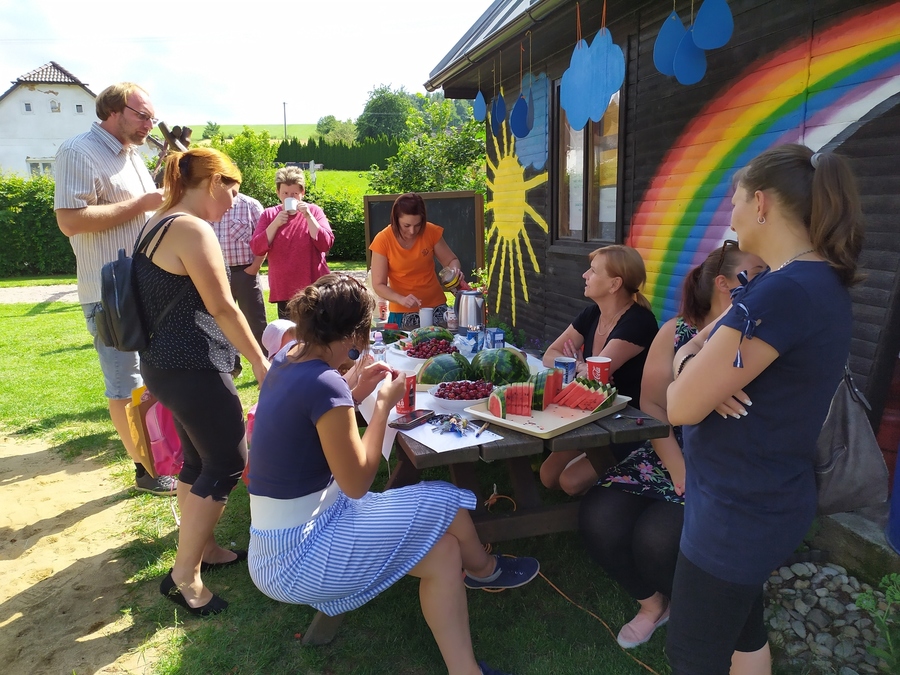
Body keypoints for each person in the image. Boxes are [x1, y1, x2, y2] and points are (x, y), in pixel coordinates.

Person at [247, 273, 539, 675]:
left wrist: (356, 393)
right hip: (302, 555)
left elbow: (311, 427)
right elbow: (357, 483)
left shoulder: (288, 358)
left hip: (276, 544)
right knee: (445, 498)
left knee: (443, 553)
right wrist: (383, 405)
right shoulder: (325, 384)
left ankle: (466, 665)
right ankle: (485, 571)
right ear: (353, 334)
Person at [665, 144, 864, 674]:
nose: (729, 217)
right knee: (744, 631)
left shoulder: (784, 293)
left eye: (733, 201)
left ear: (760, 203)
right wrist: (699, 362)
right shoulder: (805, 282)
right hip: (756, 497)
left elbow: (679, 405)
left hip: (738, 512)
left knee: (693, 654)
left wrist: (692, 367)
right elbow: (700, 348)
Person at [578, 242, 766, 650]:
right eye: (757, 273)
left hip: (725, 461)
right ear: (724, 284)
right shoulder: (677, 330)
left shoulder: (762, 333)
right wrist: (678, 467)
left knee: (656, 540)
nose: (766, 280)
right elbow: (652, 404)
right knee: (598, 518)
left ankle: (693, 606)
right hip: (667, 449)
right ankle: (652, 604)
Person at [133, 147, 270, 616]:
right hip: (192, 365)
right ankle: (184, 576)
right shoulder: (191, 228)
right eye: (232, 191)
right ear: (214, 183)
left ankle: (204, 549)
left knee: (198, 460)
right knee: (228, 461)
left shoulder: (158, 221)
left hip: (164, 365)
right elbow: (224, 307)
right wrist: (259, 360)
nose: (233, 203)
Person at [54, 82, 177, 495]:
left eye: (152, 118)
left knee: (153, 378)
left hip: (143, 287)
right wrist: (140, 205)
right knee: (127, 384)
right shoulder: (78, 151)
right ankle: (146, 468)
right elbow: (70, 221)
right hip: (110, 294)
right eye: (142, 116)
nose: (149, 125)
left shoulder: (132, 156)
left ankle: (163, 454)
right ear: (113, 110)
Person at [540, 245, 659, 495]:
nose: (585, 275)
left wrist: (579, 366)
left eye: (593, 271)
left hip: (629, 424)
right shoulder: (592, 313)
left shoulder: (638, 322)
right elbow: (550, 355)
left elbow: (593, 377)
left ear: (615, 284)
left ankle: (604, 501)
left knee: (569, 481)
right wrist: (579, 366)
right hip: (593, 415)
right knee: (547, 474)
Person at [369, 192, 468, 330]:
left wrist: (454, 271)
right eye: (406, 225)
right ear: (396, 219)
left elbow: (452, 260)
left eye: (418, 225)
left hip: (436, 307)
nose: (412, 231)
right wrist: (401, 299)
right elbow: (379, 285)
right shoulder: (383, 240)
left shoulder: (430, 231)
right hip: (402, 311)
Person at [250, 166, 333, 319]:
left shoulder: (314, 211)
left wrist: (308, 217)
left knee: (318, 330)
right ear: (278, 193)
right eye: (285, 193)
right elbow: (257, 248)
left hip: (314, 287)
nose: (290, 197)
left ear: (302, 193)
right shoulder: (269, 215)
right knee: (290, 331)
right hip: (284, 289)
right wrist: (275, 224)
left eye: (295, 194)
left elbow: (325, 244)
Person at [210, 192, 267, 377]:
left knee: (255, 320)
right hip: (217, 273)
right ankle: (231, 367)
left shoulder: (251, 205)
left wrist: (255, 267)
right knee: (221, 321)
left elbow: (264, 239)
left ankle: (266, 362)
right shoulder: (208, 203)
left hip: (245, 272)